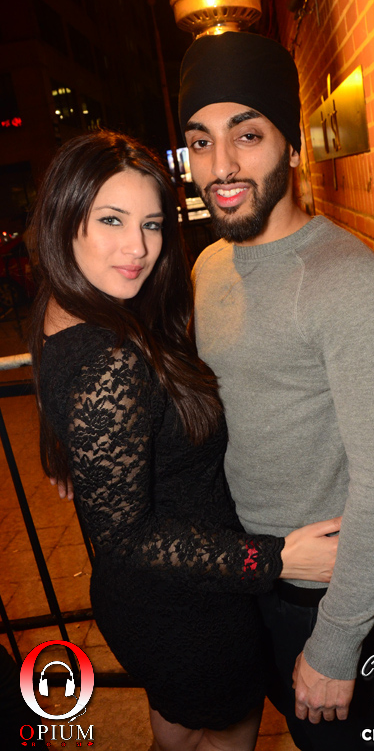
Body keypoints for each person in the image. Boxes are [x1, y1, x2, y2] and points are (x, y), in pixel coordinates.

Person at [27, 130, 342, 751]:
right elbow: (127, 539)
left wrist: (76, 453)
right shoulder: (110, 359)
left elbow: (64, 393)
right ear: (65, 218)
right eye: (111, 220)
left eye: (151, 224)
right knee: (227, 734)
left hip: (151, 604)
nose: (137, 248)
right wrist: (277, 560)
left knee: (179, 729)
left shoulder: (66, 307)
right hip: (186, 607)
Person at [180, 31, 374, 750]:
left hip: (319, 591)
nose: (220, 166)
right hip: (242, 569)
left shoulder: (352, 285)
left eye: (247, 135)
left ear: (291, 147)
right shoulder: (207, 267)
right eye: (200, 141)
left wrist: (336, 643)